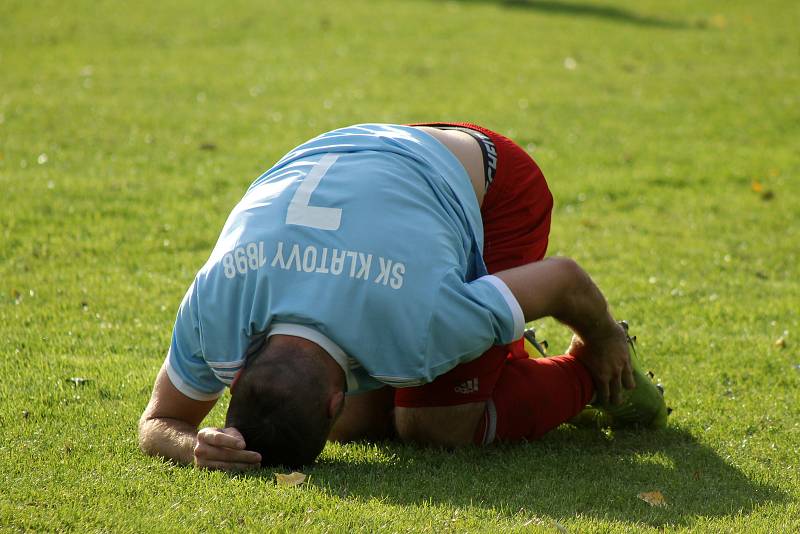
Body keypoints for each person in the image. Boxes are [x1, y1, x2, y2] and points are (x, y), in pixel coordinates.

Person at [138, 122, 667, 471]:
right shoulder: (217, 301)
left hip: (492, 184)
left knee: (434, 425)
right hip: (370, 154)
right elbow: (159, 424)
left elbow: (564, 280)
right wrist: (196, 448)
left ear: (234, 376)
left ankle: (586, 376)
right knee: (369, 417)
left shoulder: (418, 321)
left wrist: (599, 337)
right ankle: (495, 342)